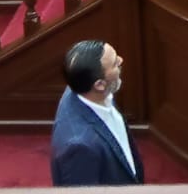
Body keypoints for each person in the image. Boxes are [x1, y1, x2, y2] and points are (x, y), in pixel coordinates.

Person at [50, 39, 143, 185]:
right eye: (114, 63)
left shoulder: (87, 90)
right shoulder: (79, 147)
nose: (121, 60)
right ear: (99, 84)